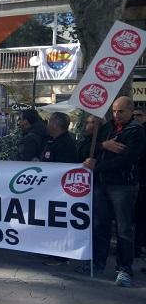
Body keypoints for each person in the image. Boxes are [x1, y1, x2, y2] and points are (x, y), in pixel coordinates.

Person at [82, 97, 145, 287]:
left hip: (123, 186)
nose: (117, 115)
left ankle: (124, 269)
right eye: (115, 111)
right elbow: (87, 147)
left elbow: (127, 160)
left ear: (131, 111)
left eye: (121, 112)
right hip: (102, 185)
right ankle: (97, 263)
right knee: (100, 225)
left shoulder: (136, 131)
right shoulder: (106, 127)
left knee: (123, 228)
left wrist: (98, 165)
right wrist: (103, 145)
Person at [40, 112, 77, 266]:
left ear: (55, 124)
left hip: (60, 192)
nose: (47, 125)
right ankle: (54, 252)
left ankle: (61, 256)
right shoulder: (52, 141)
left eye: (49, 122)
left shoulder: (66, 144)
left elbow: (63, 169)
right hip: (50, 191)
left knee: (59, 222)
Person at [132, 107, 146, 260]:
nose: (136, 117)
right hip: (137, 180)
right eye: (134, 115)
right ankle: (136, 247)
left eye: (139, 115)